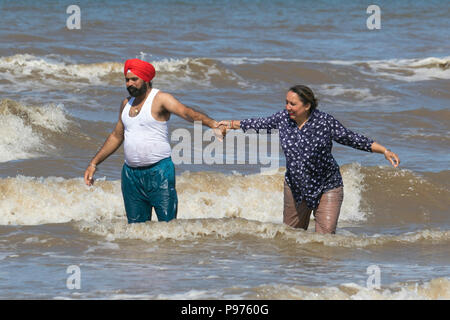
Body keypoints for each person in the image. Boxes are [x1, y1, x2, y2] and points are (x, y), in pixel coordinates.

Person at [219, 85, 400, 234]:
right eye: (286, 103)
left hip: (327, 186)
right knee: (291, 237)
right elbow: (259, 124)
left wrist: (383, 150)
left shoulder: (325, 122)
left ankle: (320, 274)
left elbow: (351, 138)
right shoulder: (283, 119)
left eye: (293, 104)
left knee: (324, 240)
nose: (288, 107)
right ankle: (299, 276)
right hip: (296, 188)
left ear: (307, 106)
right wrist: (231, 124)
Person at [84, 58, 223, 224]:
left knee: (168, 226)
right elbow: (116, 136)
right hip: (131, 176)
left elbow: (186, 113)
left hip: (159, 172)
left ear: (146, 79)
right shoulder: (125, 104)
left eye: (134, 79)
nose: (129, 84)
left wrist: (213, 124)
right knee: (137, 230)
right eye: (127, 80)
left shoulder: (160, 99)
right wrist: (93, 163)